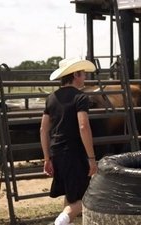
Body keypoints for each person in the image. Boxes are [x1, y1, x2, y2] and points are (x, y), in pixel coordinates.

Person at [40, 58, 98, 225]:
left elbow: (43, 130)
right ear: (75, 75)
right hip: (74, 153)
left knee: (70, 195)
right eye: (83, 73)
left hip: (56, 152)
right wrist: (92, 158)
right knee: (86, 198)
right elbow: (83, 126)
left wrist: (47, 158)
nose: (85, 76)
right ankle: (59, 223)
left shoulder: (51, 98)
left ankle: (64, 222)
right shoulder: (80, 97)